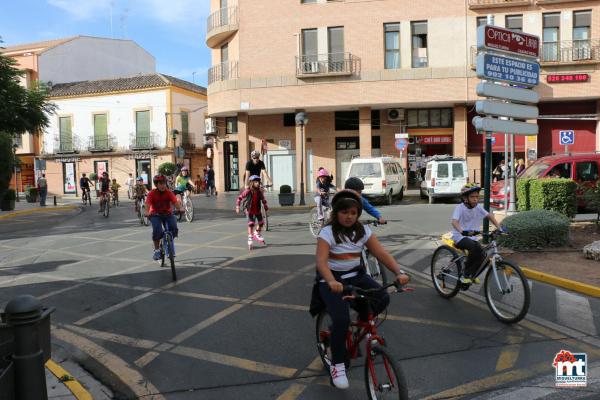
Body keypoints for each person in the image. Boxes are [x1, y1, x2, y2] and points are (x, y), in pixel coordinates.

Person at [315, 190, 409, 389]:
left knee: (382, 298)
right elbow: (321, 262)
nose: (349, 216)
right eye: (344, 212)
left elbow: (380, 253)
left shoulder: (363, 231)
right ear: (336, 213)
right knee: (341, 320)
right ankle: (338, 365)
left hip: (356, 276)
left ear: (358, 213)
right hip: (331, 280)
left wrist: (398, 272)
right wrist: (332, 281)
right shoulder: (327, 232)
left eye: (353, 212)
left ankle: (361, 321)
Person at [451, 184, 503, 284]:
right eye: (472, 197)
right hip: (459, 237)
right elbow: (454, 222)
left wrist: (499, 228)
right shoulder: (460, 208)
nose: (475, 199)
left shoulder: (478, 207)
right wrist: (462, 231)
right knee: (475, 248)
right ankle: (465, 274)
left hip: (472, 238)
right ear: (465, 198)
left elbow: (489, 216)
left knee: (484, 256)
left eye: (477, 197)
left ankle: (472, 274)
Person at [145, 175, 183, 260]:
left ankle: (167, 242)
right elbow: (147, 204)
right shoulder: (152, 193)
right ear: (156, 185)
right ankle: (157, 250)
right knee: (157, 230)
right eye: (160, 184)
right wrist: (147, 212)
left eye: (164, 183)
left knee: (174, 228)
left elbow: (175, 202)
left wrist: (180, 208)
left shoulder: (169, 192)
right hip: (155, 214)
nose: (163, 185)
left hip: (167, 214)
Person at [235, 175, 269, 249]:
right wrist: (237, 206)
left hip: (257, 209)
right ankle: (250, 238)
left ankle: (257, 233)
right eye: (256, 182)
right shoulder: (248, 191)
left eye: (258, 182)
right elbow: (239, 198)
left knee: (261, 223)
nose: (257, 183)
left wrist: (265, 206)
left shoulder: (259, 191)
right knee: (251, 224)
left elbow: (263, 199)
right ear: (252, 183)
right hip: (249, 210)